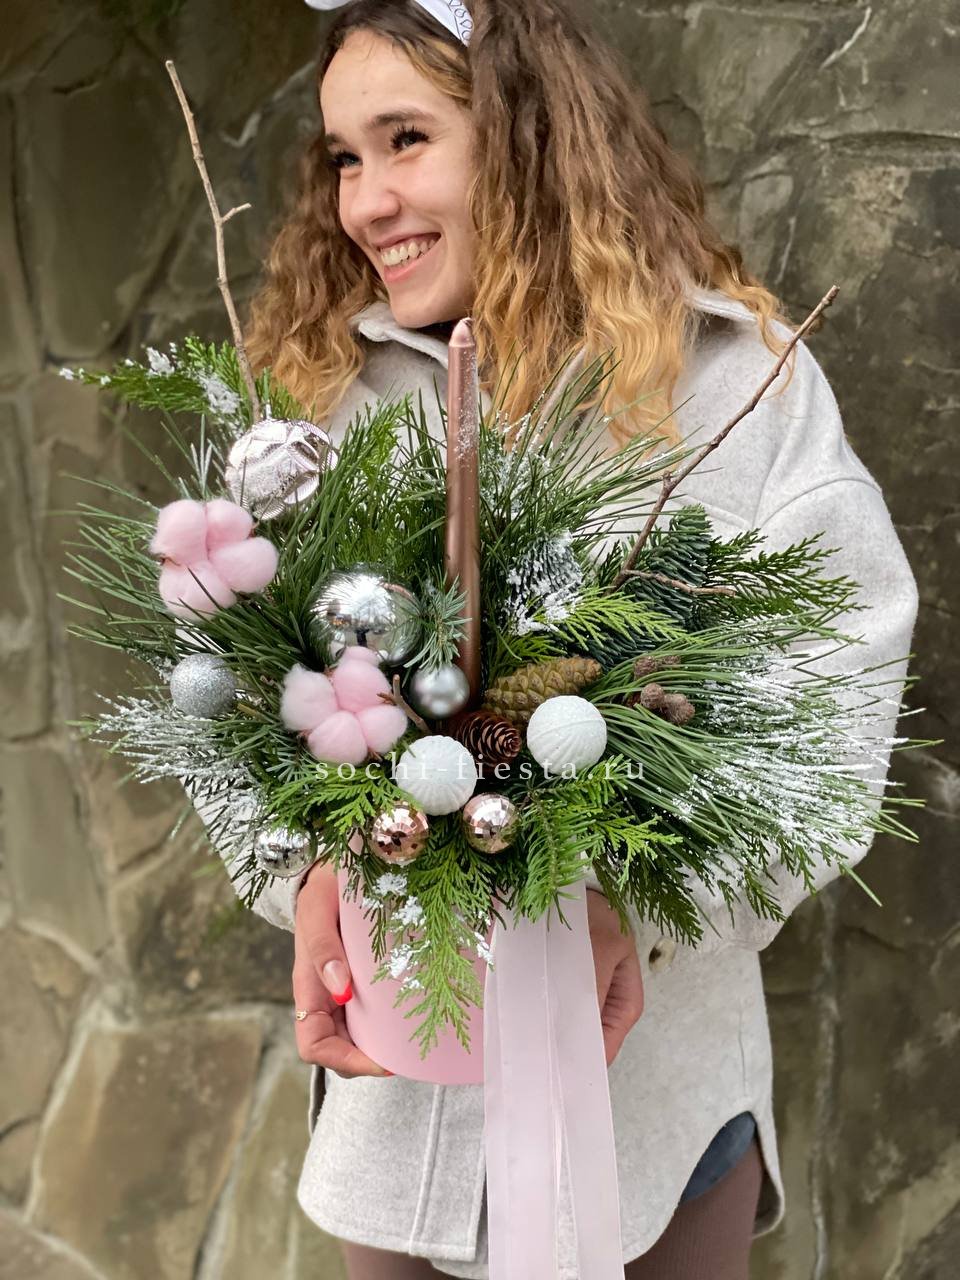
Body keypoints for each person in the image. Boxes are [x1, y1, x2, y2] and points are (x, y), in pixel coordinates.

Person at [201, 1, 919, 1276]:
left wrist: (643, 904)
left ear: (526, 133)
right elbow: (224, 691)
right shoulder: (319, 405)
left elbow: (836, 696)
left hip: (652, 1131)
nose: (367, 200)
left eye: (406, 138)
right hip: (397, 1129)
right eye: (345, 157)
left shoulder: (726, 381)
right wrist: (300, 876)